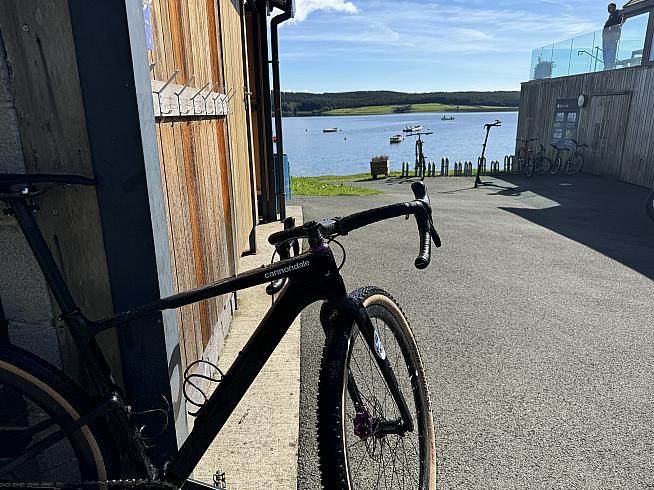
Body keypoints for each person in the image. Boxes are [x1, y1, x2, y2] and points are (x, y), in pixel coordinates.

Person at [603, 3, 624, 70]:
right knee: (606, 52)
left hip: (612, 37)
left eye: (610, 7)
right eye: (608, 8)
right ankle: (607, 66)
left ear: (614, 7)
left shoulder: (617, 13)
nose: (608, 9)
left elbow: (622, 19)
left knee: (611, 52)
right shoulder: (610, 16)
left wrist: (615, 33)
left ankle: (610, 66)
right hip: (607, 38)